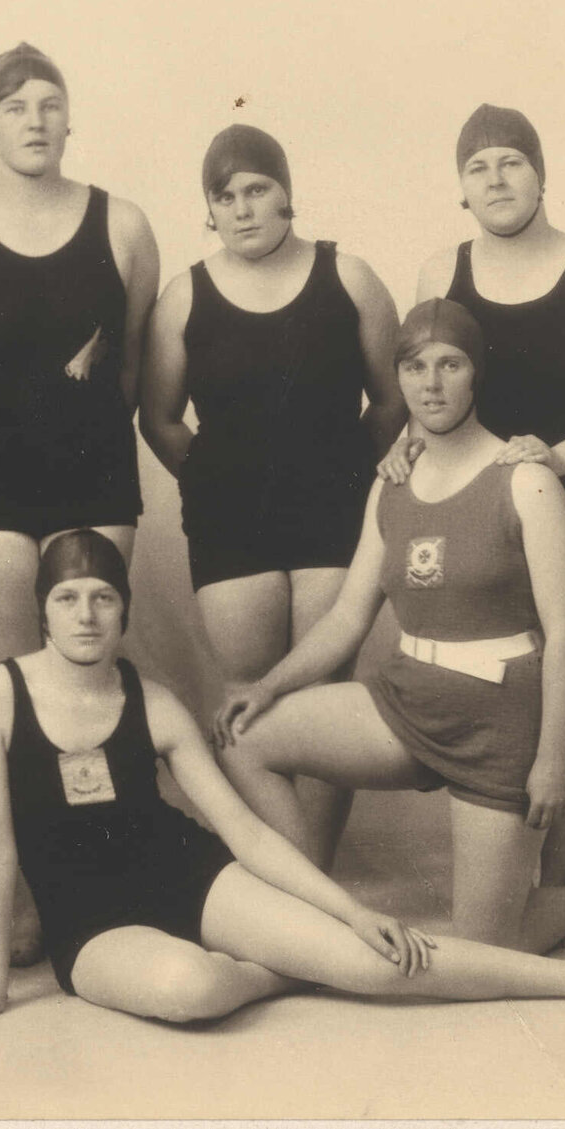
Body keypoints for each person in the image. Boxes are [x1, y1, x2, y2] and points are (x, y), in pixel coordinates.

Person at [0, 529, 565, 1024]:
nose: (86, 615)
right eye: (67, 599)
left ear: (122, 612)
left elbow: (244, 830)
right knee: (187, 990)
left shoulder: (151, 703)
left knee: (383, 959)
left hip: (188, 876)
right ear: (41, 611)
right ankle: (285, 971)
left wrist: (350, 913)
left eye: (103, 598)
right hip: (89, 918)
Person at [214, 300, 565, 954]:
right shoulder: (392, 483)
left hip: (498, 718)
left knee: (486, 946)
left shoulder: (526, 481)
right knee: (241, 736)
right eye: (415, 366)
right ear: (400, 377)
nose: (432, 382)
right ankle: (315, 899)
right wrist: (267, 686)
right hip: (408, 699)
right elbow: (347, 618)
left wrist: (553, 758)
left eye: (450, 364)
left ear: (477, 376)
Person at [0, 41, 158, 965]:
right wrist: (7, 445)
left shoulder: (123, 225)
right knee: (13, 691)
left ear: (69, 117)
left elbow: (127, 366)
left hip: (92, 476)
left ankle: (94, 886)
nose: (34, 120)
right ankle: (17, 900)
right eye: (14, 106)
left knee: (87, 683)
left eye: (49, 102)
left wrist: (74, 437)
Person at [384, 103, 565, 897]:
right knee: (502, 691)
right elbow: (424, 382)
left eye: (511, 161)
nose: (495, 178)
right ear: (461, 188)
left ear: (541, 173)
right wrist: (405, 444)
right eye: (477, 166)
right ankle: (520, 885)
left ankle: (557, 882)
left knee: (552, 692)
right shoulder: (442, 268)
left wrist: (552, 457)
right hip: (472, 515)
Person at [139, 124, 405, 868]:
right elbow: (158, 417)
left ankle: (313, 866)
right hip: (233, 523)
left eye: (257, 189)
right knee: (249, 696)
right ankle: (292, 872)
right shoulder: (183, 296)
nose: (243, 208)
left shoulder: (348, 277)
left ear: (288, 195)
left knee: (322, 693)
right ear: (209, 211)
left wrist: (352, 478)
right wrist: (216, 477)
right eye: (225, 197)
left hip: (333, 510)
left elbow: (389, 402)